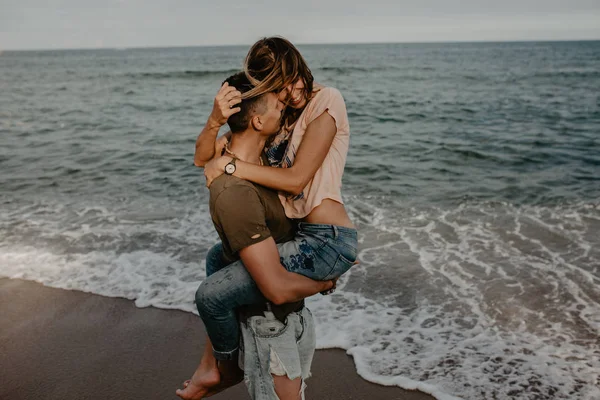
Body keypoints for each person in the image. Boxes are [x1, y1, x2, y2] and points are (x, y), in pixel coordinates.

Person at [177, 72, 334, 400]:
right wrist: (326, 281)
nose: (285, 109)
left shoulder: (265, 156)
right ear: (259, 121)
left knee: (216, 258)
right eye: (278, 105)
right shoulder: (234, 190)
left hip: (290, 316)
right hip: (270, 329)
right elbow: (275, 289)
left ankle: (216, 364)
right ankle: (222, 363)